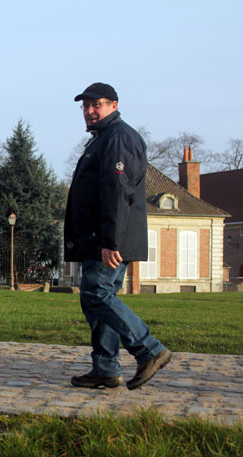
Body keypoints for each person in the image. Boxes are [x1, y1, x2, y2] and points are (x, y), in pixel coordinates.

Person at [65, 83, 172, 390]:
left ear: (113, 104)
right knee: (97, 299)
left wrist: (110, 241)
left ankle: (150, 350)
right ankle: (106, 368)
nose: (89, 111)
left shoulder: (119, 138)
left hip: (108, 240)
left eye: (96, 105)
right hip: (99, 238)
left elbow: (117, 191)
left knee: (97, 294)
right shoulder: (103, 139)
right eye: (85, 107)